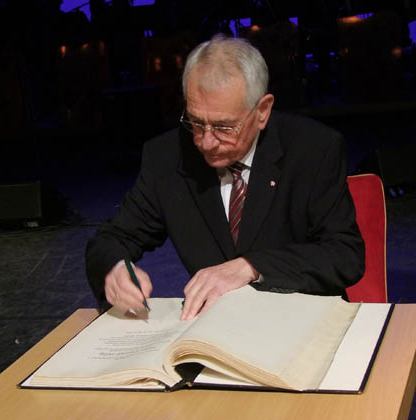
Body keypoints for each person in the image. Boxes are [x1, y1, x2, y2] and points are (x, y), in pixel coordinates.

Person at [86, 34, 364, 320]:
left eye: (224, 127)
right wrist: (114, 268)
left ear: (262, 111)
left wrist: (251, 266)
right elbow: (111, 239)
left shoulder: (313, 150)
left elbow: (345, 255)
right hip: (214, 327)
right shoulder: (167, 157)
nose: (206, 142)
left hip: (301, 320)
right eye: (196, 122)